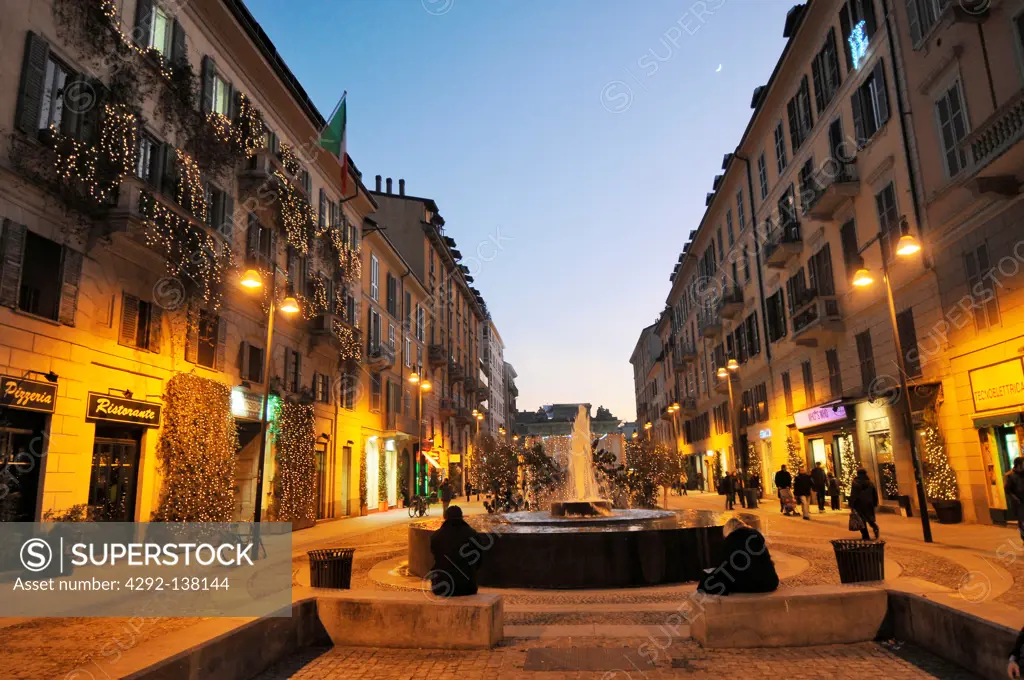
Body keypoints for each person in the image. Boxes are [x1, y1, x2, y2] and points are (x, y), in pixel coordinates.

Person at [697, 518, 779, 595]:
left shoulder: (731, 540)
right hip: (771, 582)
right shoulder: (756, 535)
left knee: (708, 582)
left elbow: (725, 565)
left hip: (754, 584)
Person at [429, 505, 481, 597]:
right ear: (461, 517)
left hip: (442, 587)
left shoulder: (436, 536)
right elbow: (479, 561)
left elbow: (434, 556)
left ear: (446, 517)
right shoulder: (472, 534)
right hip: (467, 587)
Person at [849, 468, 880, 540]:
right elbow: (874, 493)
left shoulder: (855, 483)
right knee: (869, 518)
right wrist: (875, 502)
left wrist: (851, 504)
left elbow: (853, 494)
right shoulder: (870, 483)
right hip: (869, 503)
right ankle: (874, 526)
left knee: (861, 520)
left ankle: (865, 536)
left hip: (859, 504)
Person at [1004, 457, 1024, 541]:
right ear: (1018, 465)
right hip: (1020, 504)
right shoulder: (1010, 476)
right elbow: (1008, 490)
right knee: (1022, 524)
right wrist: (1015, 499)